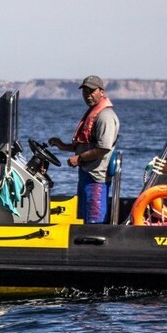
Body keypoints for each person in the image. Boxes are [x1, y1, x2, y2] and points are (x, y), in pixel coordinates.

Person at [48, 75, 120, 224]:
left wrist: (78, 159)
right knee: (86, 218)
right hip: (86, 174)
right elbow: (86, 144)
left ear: (101, 91)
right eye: (85, 92)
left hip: (96, 177)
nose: (88, 95)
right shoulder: (94, 112)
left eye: (92, 91)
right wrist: (63, 146)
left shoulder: (105, 116)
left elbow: (103, 148)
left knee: (95, 221)